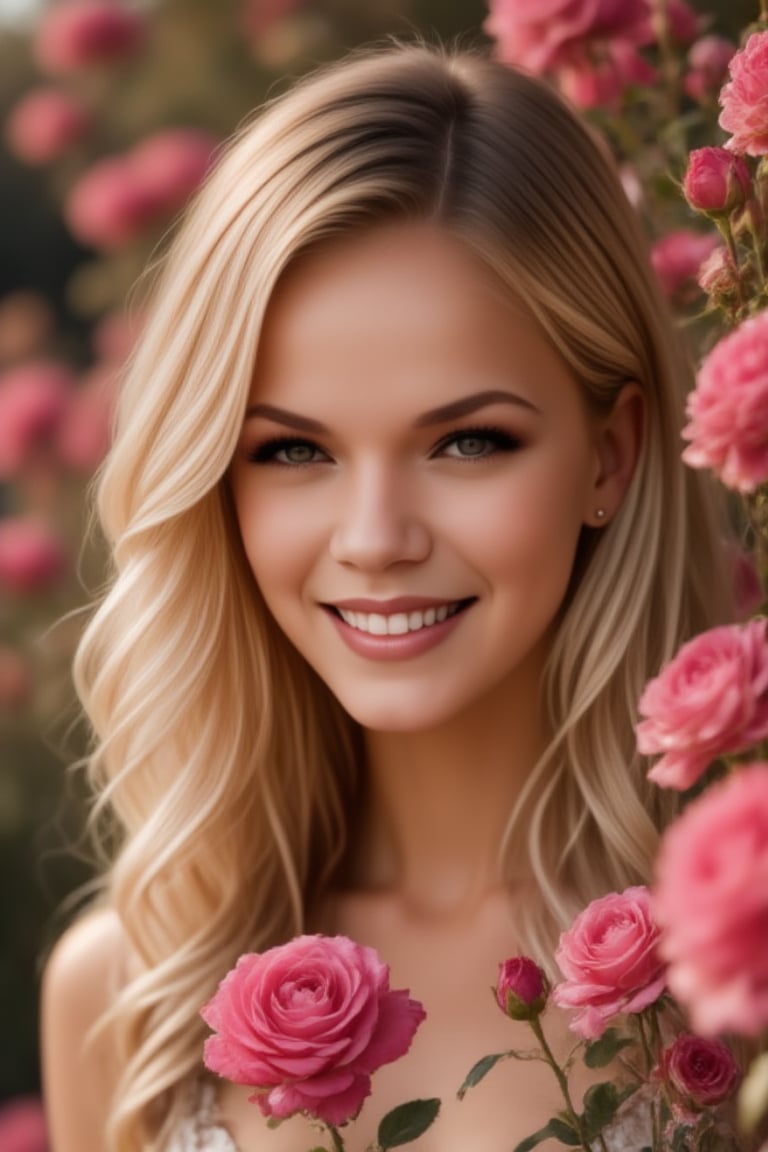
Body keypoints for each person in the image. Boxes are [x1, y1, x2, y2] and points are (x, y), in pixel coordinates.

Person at [41, 41, 734, 1152]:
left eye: (467, 441)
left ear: (610, 456)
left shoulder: (736, 954)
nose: (375, 541)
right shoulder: (124, 994)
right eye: (292, 453)